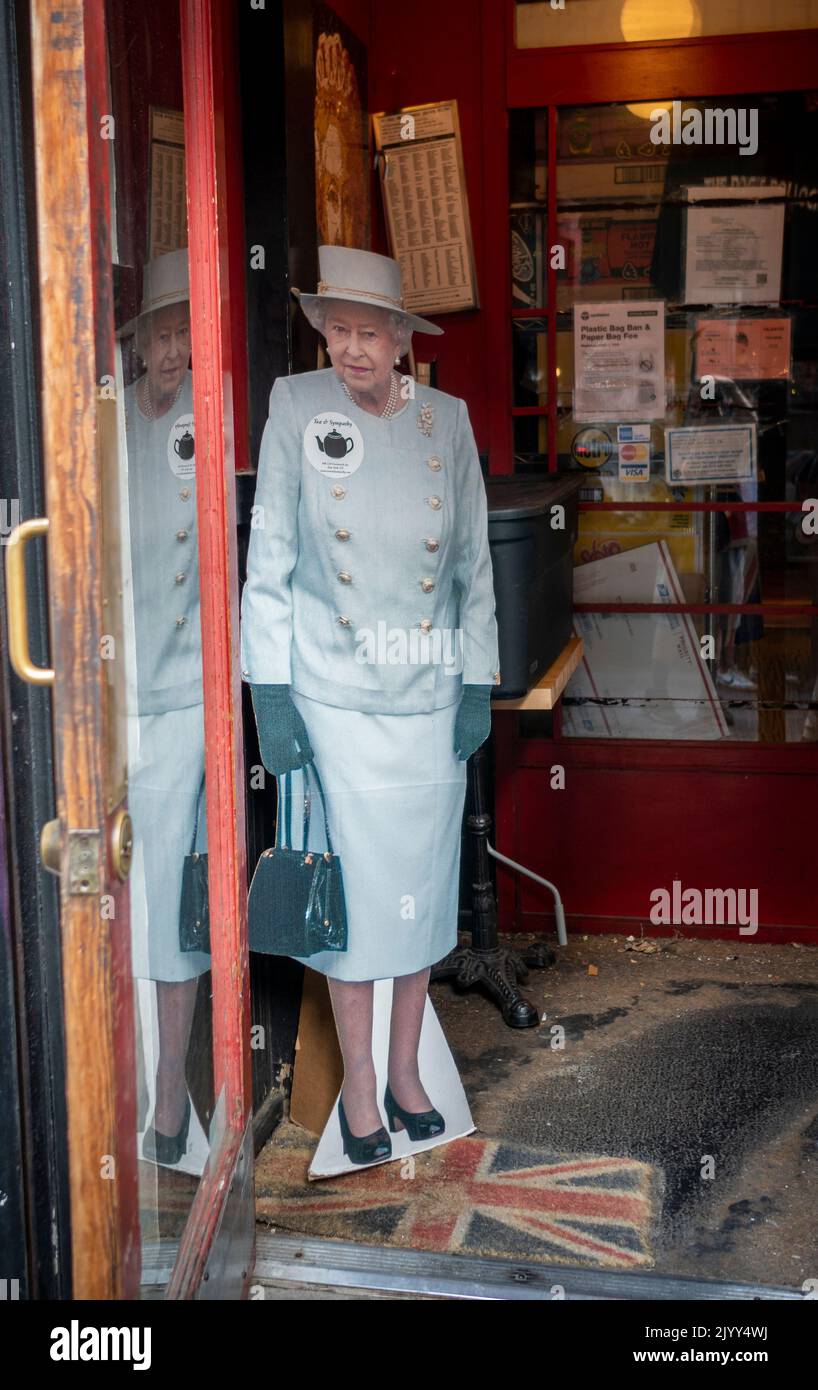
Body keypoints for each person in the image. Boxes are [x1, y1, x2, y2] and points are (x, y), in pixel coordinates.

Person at [240, 244, 500, 1164]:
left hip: (426, 698)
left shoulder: (448, 423)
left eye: (369, 333)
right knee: (349, 909)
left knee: (421, 900)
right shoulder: (295, 408)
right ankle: (356, 1083)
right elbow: (268, 561)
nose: (353, 349)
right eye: (338, 330)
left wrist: (476, 681)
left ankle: (404, 1072)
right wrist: (270, 693)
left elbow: (472, 565)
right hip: (336, 701)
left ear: (402, 339)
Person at [120, 248, 210, 1167]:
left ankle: (171, 1097)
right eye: (162, 333)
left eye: (188, 332)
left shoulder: (211, 421)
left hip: (185, 695)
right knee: (111, 890)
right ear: (137, 342)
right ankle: (121, 1082)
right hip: (112, 691)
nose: (175, 350)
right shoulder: (109, 422)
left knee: (173, 897)